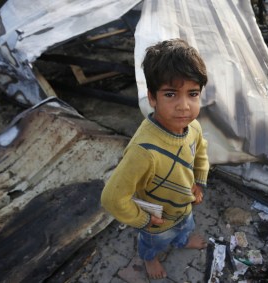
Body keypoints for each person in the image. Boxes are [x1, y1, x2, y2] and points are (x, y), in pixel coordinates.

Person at [101, 38, 210, 279]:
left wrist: (199, 182)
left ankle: (182, 241)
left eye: (192, 94)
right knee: (154, 243)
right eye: (170, 94)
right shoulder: (144, 150)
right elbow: (112, 198)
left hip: (185, 206)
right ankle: (149, 259)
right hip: (157, 221)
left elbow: (200, 153)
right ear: (152, 97)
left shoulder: (193, 128)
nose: (184, 106)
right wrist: (143, 219)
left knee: (185, 228)